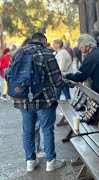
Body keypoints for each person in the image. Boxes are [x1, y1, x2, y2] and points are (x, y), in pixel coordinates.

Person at [8, 32, 75, 172]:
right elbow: (56, 80)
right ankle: (51, 161)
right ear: (44, 41)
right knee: (47, 130)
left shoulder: (18, 53)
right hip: (44, 100)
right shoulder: (47, 54)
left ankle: (30, 161)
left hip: (24, 100)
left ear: (32, 40)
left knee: (27, 131)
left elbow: (8, 74)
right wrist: (70, 83)